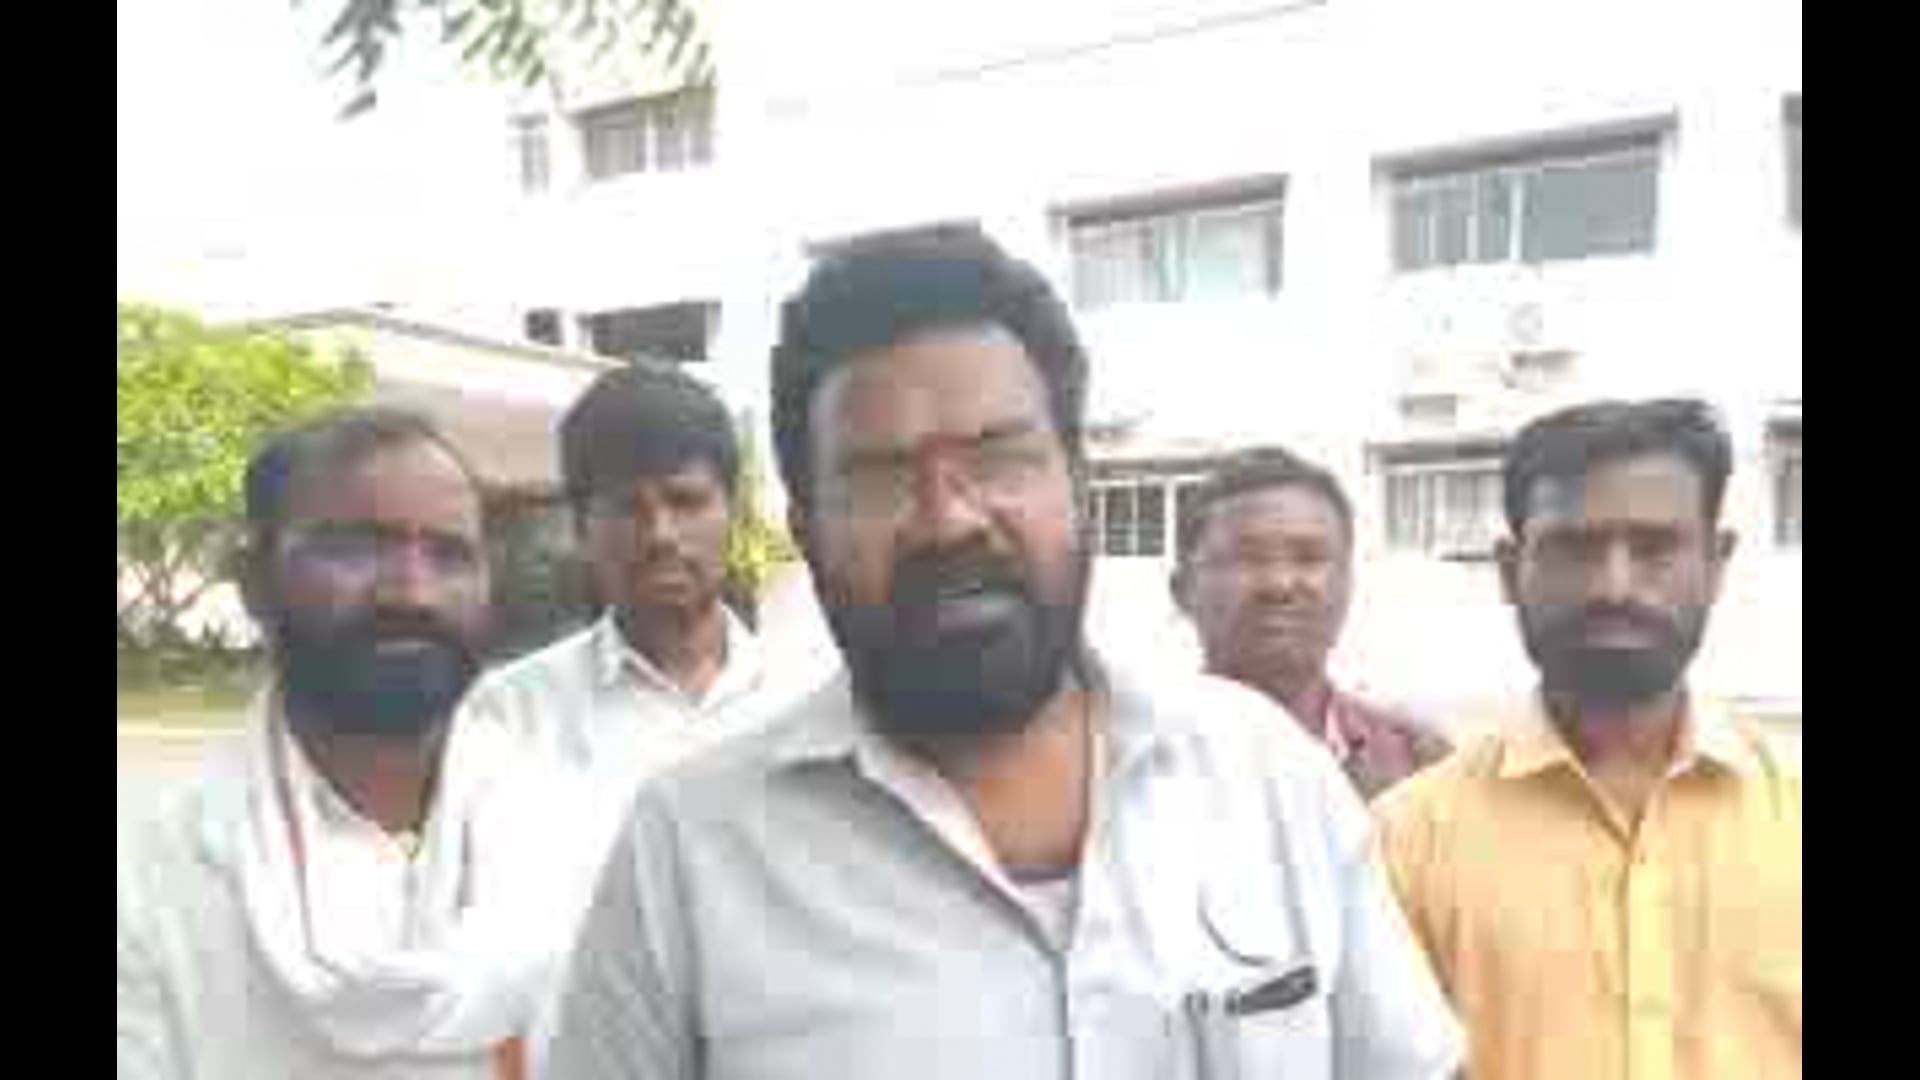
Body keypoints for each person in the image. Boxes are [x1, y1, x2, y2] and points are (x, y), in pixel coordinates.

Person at [543, 228, 1462, 1079]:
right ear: (808, 531)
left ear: (1079, 485)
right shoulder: (690, 851)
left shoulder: (1268, 779)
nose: (948, 519)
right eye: (882, 478)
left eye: (999, 458)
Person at [117, 407, 587, 1079]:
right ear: (254, 582)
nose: (411, 593)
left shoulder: (571, 829)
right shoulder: (153, 879)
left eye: (449, 555)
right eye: (354, 548)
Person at [1375, 399, 1802, 1080]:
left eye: (1655, 548)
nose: (1614, 585)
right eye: (1574, 550)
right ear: (1509, 569)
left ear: (1717, 563)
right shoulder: (1403, 845)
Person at [462, 359, 773, 858]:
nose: (660, 534)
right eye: (628, 508)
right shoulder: (509, 716)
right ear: (581, 527)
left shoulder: (809, 702)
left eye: (685, 501)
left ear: (732, 512)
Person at [1172, 446, 1450, 798]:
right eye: (1248, 557)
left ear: (1348, 583)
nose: (1280, 584)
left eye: (1309, 558)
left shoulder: (1418, 765)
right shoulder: (1130, 758)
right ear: (1182, 590)